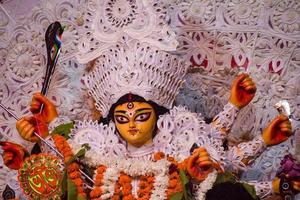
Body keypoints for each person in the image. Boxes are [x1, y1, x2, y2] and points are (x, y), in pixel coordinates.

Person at [9, 42, 296, 199]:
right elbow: (59, 173)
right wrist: (39, 137)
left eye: (141, 115)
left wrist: (270, 175)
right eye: (122, 118)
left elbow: (219, 179)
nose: (132, 124)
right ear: (113, 123)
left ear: (159, 116)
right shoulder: (95, 150)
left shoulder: (181, 142)